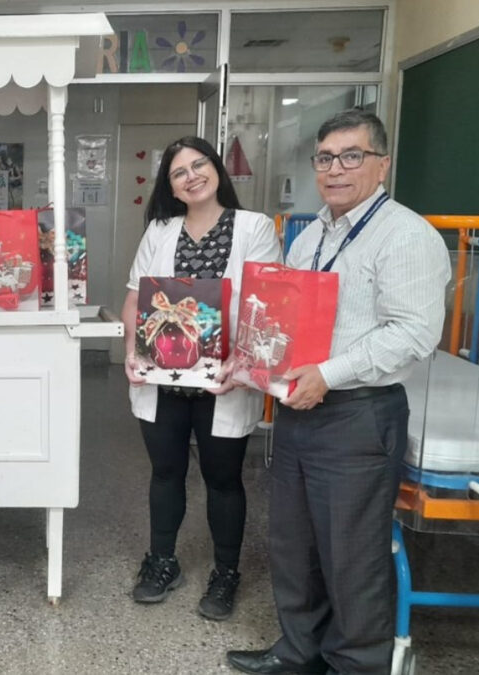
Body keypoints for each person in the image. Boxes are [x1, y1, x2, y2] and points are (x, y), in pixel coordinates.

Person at [225, 110, 451, 673]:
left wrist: (329, 374)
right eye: (325, 158)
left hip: (359, 413)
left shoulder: (406, 235)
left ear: (381, 164)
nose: (336, 169)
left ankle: (355, 663)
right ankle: (299, 651)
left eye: (352, 156)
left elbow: (415, 335)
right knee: (294, 546)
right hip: (301, 412)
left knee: (352, 553)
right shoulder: (309, 237)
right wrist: (253, 361)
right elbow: (291, 324)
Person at [122, 136, 280, 619]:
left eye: (199, 165)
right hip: (163, 377)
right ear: (170, 186)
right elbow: (134, 297)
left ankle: (226, 572)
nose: (191, 176)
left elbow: (267, 300)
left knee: (223, 479)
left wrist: (247, 363)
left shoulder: (253, 227)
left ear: (216, 169)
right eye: (178, 172)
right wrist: (130, 351)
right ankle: (162, 562)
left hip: (224, 380)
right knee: (166, 472)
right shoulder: (160, 231)